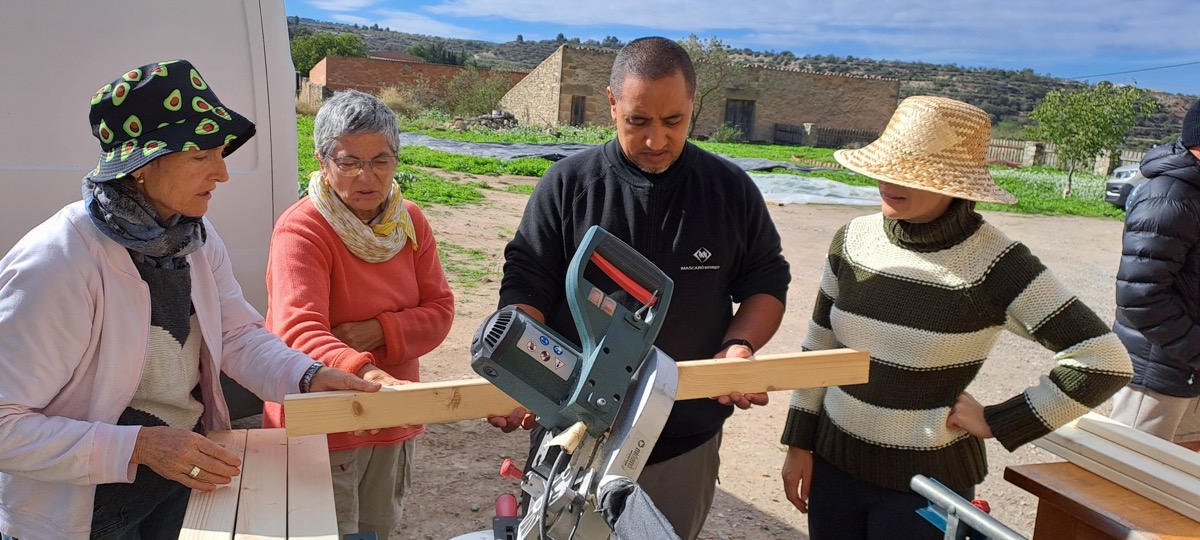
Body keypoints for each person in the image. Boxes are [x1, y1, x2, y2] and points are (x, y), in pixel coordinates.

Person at [0, 60, 380, 540]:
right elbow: (5, 426)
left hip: (174, 488)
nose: (222, 173)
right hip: (83, 515)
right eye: (202, 156)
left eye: (220, 153)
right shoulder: (57, 263)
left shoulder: (190, 236)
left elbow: (236, 334)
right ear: (141, 166)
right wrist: (137, 446)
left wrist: (308, 375)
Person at [778, 96, 1133, 539]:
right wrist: (799, 441)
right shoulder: (851, 239)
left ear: (956, 183)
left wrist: (999, 420)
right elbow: (820, 343)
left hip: (925, 490)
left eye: (912, 172)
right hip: (832, 471)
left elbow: (1104, 360)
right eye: (887, 165)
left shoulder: (997, 263)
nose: (889, 181)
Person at [491, 36, 791, 539]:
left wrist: (737, 348)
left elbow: (766, 281)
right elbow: (526, 282)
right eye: (637, 121)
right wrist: (523, 370)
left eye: (673, 121)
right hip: (571, 432)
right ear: (612, 105)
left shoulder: (730, 190)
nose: (656, 140)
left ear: (693, 105)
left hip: (683, 442)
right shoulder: (567, 185)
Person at [262, 89, 455, 537]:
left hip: (390, 417)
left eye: (381, 161)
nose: (367, 176)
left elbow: (440, 312)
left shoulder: (409, 222)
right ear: (324, 162)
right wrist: (369, 374)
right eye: (349, 162)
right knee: (322, 531)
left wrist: (378, 331)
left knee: (375, 529)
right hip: (324, 424)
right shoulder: (303, 229)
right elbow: (297, 332)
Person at [1109, 98, 1200, 450]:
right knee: (1126, 487)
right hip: (1157, 376)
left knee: (1175, 489)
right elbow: (1141, 297)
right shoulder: (1169, 197)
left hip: (1187, 371)